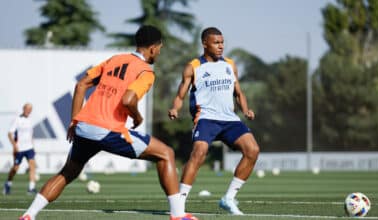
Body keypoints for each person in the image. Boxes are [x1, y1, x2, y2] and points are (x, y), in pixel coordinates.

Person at [19, 25, 197, 220]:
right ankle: (178, 215)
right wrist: (137, 117)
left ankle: (29, 214)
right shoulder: (145, 72)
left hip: (84, 127)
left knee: (68, 172)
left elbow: (81, 85)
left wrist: (74, 121)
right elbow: (128, 100)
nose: (160, 52)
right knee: (166, 154)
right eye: (160, 48)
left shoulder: (114, 60)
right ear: (153, 48)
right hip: (107, 129)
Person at [168, 27, 260, 215]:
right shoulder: (193, 66)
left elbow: (238, 93)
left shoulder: (230, 65)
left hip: (229, 120)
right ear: (204, 44)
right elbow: (180, 94)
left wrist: (245, 109)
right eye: (216, 43)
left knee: (253, 150)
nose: (221, 46)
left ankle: (229, 198)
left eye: (222, 42)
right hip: (206, 119)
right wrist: (175, 108)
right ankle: (180, 204)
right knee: (199, 152)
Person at [3, 103, 37, 195]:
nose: (29, 111)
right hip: (19, 148)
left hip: (29, 148)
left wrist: (33, 146)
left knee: (32, 166)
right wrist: (14, 146)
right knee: (15, 168)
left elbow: (31, 135)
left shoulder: (30, 120)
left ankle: (31, 188)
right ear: (24, 109)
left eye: (30, 109)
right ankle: (8, 183)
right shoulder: (17, 120)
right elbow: (10, 134)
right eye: (27, 109)